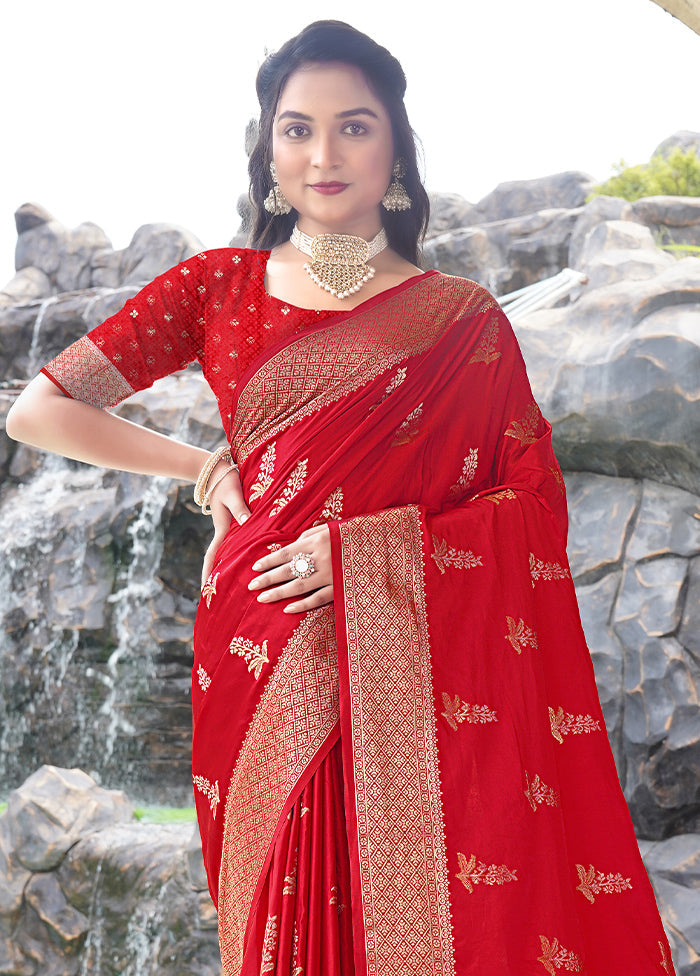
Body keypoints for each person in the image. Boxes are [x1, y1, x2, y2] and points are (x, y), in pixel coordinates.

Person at [5, 20, 676, 976]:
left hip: (410, 643)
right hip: (260, 641)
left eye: (353, 127)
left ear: (396, 146)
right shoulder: (216, 286)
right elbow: (41, 408)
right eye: (296, 129)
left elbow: (533, 506)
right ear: (267, 151)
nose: (323, 154)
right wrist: (200, 467)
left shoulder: (464, 321)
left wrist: (369, 557)